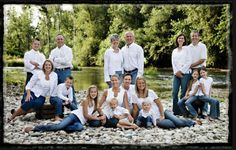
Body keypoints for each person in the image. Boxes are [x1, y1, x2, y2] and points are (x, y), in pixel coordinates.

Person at [24, 85, 106, 133]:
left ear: (97, 93)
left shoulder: (96, 103)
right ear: (89, 93)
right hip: (74, 116)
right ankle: (35, 128)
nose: (93, 93)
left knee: (80, 128)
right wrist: (97, 118)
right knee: (58, 127)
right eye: (92, 92)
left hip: (80, 122)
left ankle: (61, 125)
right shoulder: (85, 100)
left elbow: (101, 112)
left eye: (95, 92)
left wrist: (103, 117)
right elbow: (86, 115)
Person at [132, 76, 202, 129]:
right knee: (170, 125)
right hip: (154, 117)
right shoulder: (135, 95)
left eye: (143, 83)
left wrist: (162, 115)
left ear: (145, 83)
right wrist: (134, 121)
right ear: (136, 84)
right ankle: (174, 119)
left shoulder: (150, 92)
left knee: (178, 122)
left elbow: (159, 104)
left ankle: (193, 122)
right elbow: (135, 110)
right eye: (139, 83)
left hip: (162, 112)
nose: (141, 85)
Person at [49, 34, 77, 109]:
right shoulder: (53, 51)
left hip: (66, 71)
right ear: (56, 40)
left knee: (69, 88)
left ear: (63, 40)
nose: (60, 40)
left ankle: (74, 108)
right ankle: (60, 110)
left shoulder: (68, 49)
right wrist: (60, 60)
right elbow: (51, 62)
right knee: (58, 90)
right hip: (56, 72)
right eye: (58, 39)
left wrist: (55, 59)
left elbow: (67, 61)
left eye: (61, 39)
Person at [171, 33, 192, 115]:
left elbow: (189, 61)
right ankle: (175, 110)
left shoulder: (187, 49)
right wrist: (176, 72)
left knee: (183, 92)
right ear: (177, 39)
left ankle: (181, 110)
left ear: (184, 40)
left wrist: (181, 71)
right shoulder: (174, 51)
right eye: (179, 38)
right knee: (174, 92)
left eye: (182, 38)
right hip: (176, 74)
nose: (180, 39)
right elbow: (173, 63)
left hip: (185, 73)